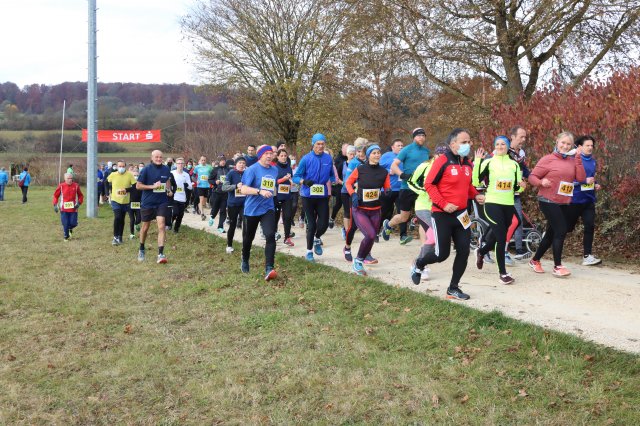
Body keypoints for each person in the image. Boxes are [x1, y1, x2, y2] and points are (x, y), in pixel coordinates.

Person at [410, 128, 484, 300]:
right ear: (453, 144)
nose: (468, 145)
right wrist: (444, 204)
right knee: (441, 254)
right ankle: (419, 264)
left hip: (462, 215)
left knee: (464, 251)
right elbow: (429, 185)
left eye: (469, 142)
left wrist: (476, 195)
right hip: (442, 215)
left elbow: (467, 186)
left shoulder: (468, 163)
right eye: (464, 142)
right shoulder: (442, 161)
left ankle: (453, 288)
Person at [528, 132, 586, 277]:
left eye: (568, 144)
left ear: (572, 146)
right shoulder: (548, 159)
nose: (565, 146)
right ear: (557, 142)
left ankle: (535, 260)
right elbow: (532, 177)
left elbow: (581, 178)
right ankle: (557, 266)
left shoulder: (573, 160)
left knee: (551, 233)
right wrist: (541, 182)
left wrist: (578, 158)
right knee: (561, 229)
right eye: (563, 143)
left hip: (564, 202)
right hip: (547, 200)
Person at [472, 136, 522, 285]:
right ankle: (503, 274)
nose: (500, 146)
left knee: (496, 236)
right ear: (494, 146)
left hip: (508, 204)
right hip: (492, 203)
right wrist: (478, 162)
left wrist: (522, 186)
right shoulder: (488, 162)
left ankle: (481, 251)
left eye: (503, 144)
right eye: (497, 144)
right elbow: (476, 181)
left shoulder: (514, 164)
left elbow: (517, 187)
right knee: (501, 238)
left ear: (507, 146)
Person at [345, 144, 391, 275]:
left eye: (378, 153)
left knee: (372, 236)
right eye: (374, 153)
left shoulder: (384, 172)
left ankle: (363, 257)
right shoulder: (361, 169)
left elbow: (387, 187)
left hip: (376, 210)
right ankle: (358, 261)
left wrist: (387, 191)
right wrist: (353, 194)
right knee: (370, 234)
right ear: (368, 155)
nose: (377, 155)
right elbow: (348, 183)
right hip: (360, 209)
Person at [407, 143, 449, 281]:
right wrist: (425, 191)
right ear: (435, 154)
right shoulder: (425, 166)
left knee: (433, 238)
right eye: (440, 154)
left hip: (439, 208)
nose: (442, 157)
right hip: (423, 206)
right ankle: (420, 265)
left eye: (445, 155)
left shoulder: (448, 167)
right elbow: (411, 182)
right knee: (433, 236)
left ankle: (417, 263)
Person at [293, 133, 337, 262]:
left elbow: (331, 175)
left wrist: (333, 181)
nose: (321, 146)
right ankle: (309, 252)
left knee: (324, 223)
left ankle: (317, 238)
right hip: (308, 195)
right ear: (313, 144)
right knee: (311, 224)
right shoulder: (306, 159)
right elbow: (296, 177)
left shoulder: (328, 159)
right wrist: (304, 181)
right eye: (318, 144)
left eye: (323, 144)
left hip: (322, 194)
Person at [383, 127, 431, 244]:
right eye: (419, 135)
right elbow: (394, 165)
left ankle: (425, 246)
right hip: (407, 188)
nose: (421, 137)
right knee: (404, 217)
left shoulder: (426, 151)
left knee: (423, 217)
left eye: (423, 135)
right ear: (414, 137)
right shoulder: (406, 150)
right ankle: (388, 225)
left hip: (421, 189)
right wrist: (402, 175)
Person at [240, 145, 278, 280]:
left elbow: (273, 188)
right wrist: (259, 191)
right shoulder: (252, 169)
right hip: (252, 209)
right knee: (248, 238)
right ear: (260, 155)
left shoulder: (274, 170)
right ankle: (245, 259)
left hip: (268, 208)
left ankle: (269, 268)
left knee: (270, 235)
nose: (269, 156)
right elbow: (243, 189)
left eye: (271, 153)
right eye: (266, 153)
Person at [565, 135, 602, 266]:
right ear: (579, 147)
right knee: (567, 228)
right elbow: (567, 180)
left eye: (592, 145)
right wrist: (583, 181)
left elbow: (591, 178)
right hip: (575, 200)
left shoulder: (593, 161)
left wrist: (595, 184)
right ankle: (549, 234)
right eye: (587, 145)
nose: (590, 148)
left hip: (589, 200)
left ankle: (587, 256)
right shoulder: (571, 160)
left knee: (589, 226)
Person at [136, 150, 174, 264]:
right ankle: (141, 249)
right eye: (156, 157)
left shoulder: (166, 169)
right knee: (145, 227)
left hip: (161, 202)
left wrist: (169, 189)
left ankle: (160, 254)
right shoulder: (146, 169)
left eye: (160, 157)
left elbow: (167, 180)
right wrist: (152, 186)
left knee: (161, 226)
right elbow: (138, 186)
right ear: (152, 158)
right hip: (148, 202)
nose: (159, 159)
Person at [507, 125, 531, 261]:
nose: (523, 140)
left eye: (525, 137)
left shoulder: (521, 153)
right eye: (521, 137)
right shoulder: (503, 150)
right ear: (513, 137)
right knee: (502, 222)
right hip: (502, 194)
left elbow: (524, 169)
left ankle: (519, 250)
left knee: (518, 221)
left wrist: (535, 178)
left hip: (515, 194)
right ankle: (485, 247)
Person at [379, 139, 405, 239]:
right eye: (398, 145)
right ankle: (377, 231)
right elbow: (378, 168)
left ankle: (403, 235)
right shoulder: (386, 156)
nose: (401, 147)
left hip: (401, 189)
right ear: (393, 147)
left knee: (402, 212)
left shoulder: (405, 156)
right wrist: (389, 171)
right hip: (388, 189)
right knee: (385, 212)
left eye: (402, 145)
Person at [107, 160, 137, 245]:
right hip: (115, 200)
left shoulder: (129, 175)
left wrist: (127, 190)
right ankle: (115, 237)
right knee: (117, 217)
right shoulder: (113, 174)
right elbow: (106, 182)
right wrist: (107, 192)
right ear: (117, 166)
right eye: (120, 166)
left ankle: (120, 236)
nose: (121, 168)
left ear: (125, 167)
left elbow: (135, 187)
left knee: (122, 219)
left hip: (125, 201)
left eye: (123, 166)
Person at [222, 157, 247, 253]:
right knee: (232, 225)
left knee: (246, 225)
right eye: (240, 163)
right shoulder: (231, 173)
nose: (242, 165)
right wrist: (236, 186)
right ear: (236, 164)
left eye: (243, 163)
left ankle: (245, 247)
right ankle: (229, 245)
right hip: (233, 203)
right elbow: (224, 187)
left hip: (245, 203)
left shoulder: (247, 173)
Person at [53, 173, 84, 241]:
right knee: (65, 223)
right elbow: (55, 196)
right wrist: (55, 204)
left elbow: (80, 195)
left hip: (73, 208)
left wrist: (79, 203)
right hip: (64, 209)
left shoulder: (76, 185)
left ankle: (70, 228)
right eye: (68, 178)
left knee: (74, 223)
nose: (70, 180)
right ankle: (66, 236)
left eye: (71, 178)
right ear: (65, 179)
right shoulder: (61, 186)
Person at [274, 149, 295, 246]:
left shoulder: (289, 168)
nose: (283, 157)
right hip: (277, 195)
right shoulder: (274, 168)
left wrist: (291, 182)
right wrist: (283, 179)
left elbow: (290, 178)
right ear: (277, 157)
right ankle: (274, 233)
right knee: (276, 216)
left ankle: (287, 237)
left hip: (287, 195)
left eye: (285, 156)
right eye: (281, 156)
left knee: (288, 216)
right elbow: (274, 182)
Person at [208, 155, 231, 232]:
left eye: (224, 160)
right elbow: (209, 179)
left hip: (225, 193)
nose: (223, 162)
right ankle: (212, 217)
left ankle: (220, 227)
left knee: (223, 210)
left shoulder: (228, 170)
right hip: (217, 192)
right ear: (219, 161)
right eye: (221, 160)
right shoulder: (215, 169)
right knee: (215, 208)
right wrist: (215, 182)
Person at [329, 143, 349, 229]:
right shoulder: (338, 160)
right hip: (339, 185)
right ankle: (332, 218)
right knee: (338, 204)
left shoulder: (352, 159)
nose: (347, 151)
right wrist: (342, 182)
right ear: (342, 150)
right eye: (345, 149)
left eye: (348, 149)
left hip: (350, 185)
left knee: (348, 206)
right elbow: (335, 175)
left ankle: (347, 226)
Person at [171, 158, 193, 233]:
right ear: (176, 164)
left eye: (181, 163)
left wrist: (187, 185)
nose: (180, 165)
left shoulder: (186, 175)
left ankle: (176, 229)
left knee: (180, 215)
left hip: (182, 197)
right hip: (174, 196)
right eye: (179, 163)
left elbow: (190, 187)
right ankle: (170, 223)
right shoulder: (172, 173)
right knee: (175, 212)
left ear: (184, 165)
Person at [193, 156, 213, 221]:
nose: (203, 161)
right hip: (200, 186)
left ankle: (199, 207)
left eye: (204, 160)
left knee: (204, 202)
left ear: (206, 160)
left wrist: (210, 179)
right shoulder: (197, 167)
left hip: (207, 186)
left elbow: (213, 174)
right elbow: (193, 176)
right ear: (200, 160)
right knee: (201, 199)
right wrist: (196, 180)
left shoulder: (209, 167)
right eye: (202, 160)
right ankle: (202, 214)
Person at [127, 166, 142, 239]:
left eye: (137, 175)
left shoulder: (141, 184)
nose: (136, 177)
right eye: (134, 175)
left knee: (139, 219)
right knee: (132, 219)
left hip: (138, 204)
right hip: (130, 203)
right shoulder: (129, 184)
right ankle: (132, 234)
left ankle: (136, 224)